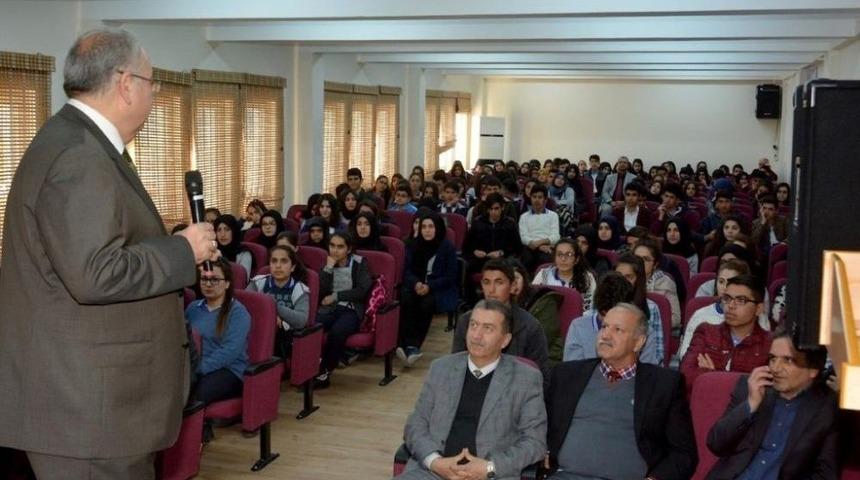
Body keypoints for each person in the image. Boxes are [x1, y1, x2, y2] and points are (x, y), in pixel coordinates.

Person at [0, 29, 218, 478]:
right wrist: (182, 250)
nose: (155, 95)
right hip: (88, 414)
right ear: (125, 84)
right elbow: (95, 272)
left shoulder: (79, 142)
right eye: (152, 83)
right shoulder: (79, 156)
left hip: (95, 409)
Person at [545, 304, 698, 480]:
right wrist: (543, 450)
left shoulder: (664, 385)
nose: (605, 335)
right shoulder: (566, 375)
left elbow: (683, 454)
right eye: (604, 327)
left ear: (639, 342)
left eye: (618, 330)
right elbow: (538, 426)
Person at [397, 300, 547, 480]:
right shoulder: (441, 368)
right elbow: (416, 424)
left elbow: (534, 442)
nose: (476, 335)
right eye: (473, 325)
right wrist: (435, 462)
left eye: (488, 328)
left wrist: (490, 468)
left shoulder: (526, 379)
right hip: (433, 473)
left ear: (505, 340)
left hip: (490, 475)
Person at [706, 328, 838, 480]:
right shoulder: (750, 388)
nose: (775, 368)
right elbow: (716, 444)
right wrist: (751, 403)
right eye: (773, 359)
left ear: (813, 370)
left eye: (788, 360)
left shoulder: (826, 409)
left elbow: (826, 475)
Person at [452, 260, 549, 375]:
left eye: (499, 282)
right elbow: (455, 367)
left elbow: (540, 376)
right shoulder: (466, 321)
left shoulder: (530, 326)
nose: (491, 290)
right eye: (486, 282)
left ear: (513, 286)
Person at [680, 275, 772, 392]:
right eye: (727, 299)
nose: (731, 306)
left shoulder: (770, 345)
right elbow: (685, 378)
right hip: (704, 406)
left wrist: (712, 375)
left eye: (741, 300)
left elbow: (767, 393)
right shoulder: (706, 332)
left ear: (758, 308)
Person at [396, 212, 458, 366]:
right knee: (406, 298)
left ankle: (413, 345)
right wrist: (416, 283)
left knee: (426, 303)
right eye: (423, 226)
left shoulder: (447, 247)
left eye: (431, 226)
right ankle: (406, 345)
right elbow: (406, 271)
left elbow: (450, 276)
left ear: (438, 228)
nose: (427, 230)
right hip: (415, 285)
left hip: (437, 288)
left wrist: (429, 286)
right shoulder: (412, 244)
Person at [563, 272, 661, 364]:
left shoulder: (644, 333)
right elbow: (572, 374)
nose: (609, 321)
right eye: (604, 315)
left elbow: (649, 376)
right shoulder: (578, 327)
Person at [315, 233, 372, 388]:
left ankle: (325, 371)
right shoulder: (328, 264)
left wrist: (336, 296)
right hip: (329, 309)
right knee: (312, 327)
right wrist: (328, 269)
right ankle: (310, 367)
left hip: (351, 309)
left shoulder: (359, 263)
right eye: (332, 246)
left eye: (340, 247)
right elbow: (320, 291)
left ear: (348, 249)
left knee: (337, 332)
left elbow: (363, 290)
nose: (335, 250)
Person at [678, 259, 752, 358]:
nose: (724, 287)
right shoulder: (701, 315)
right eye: (721, 281)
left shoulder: (756, 318)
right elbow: (685, 355)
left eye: (731, 282)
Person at [247, 245, 311, 358]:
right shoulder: (258, 283)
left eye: (284, 261)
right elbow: (243, 307)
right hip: (257, 330)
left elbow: (301, 320)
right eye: (274, 261)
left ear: (292, 267)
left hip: (285, 337)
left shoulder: (299, 289)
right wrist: (270, 317)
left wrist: (272, 306)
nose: (278, 266)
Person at [463, 193, 522, 300]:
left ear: (502, 208)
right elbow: (467, 245)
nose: (493, 212)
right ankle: (470, 301)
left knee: (510, 266)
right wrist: (475, 251)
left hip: (502, 259)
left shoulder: (509, 223)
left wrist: (502, 252)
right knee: (466, 267)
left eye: (496, 208)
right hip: (481, 259)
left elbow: (517, 248)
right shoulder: (478, 222)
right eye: (491, 209)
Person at [531, 238, 597, 312]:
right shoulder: (543, 275)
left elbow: (589, 309)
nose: (563, 259)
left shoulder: (587, 277)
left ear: (576, 259)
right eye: (559, 254)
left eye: (569, 254)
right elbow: (533, 303)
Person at [634, 238, 682, 329]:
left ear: (655, 264)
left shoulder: (665, 282)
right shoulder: (625, 278)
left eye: (646, 259)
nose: (640, 262)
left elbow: (676, 319)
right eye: (637, 258)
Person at [518, 184, 560, 272]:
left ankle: (543, 284)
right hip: (529, 247)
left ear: (545, 200)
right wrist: (539, 246)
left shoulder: (553, 215)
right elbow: (524, 238)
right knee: (527, 259)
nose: (537, 200)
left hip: (547, 247)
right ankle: (527, 284)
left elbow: (555, 236)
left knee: (545, 258)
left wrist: (540, 243)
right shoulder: (524, 217)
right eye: (534, 197)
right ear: (530, 198)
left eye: (540, 197)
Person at [214, 214, 254, 280]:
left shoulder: (244, 254)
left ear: (234, 231)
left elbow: (242, 281)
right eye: (219, 230)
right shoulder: (213, 252)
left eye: (227, 229)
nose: (222, 234)